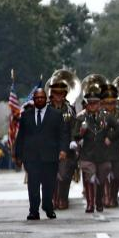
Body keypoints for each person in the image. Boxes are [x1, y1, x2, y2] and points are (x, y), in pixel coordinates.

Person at [14, 87, 67, 220]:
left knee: (49, 185)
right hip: (31, 157)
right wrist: (18, 155)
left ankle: (48, 207)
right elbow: (21, 136)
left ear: (46, 99)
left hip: (50, 157)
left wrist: (63, 150)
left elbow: (62, 135)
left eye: (42, 98)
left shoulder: (56, 114)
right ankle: (33, 211)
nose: (39, 100)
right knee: (33, 185)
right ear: (34, 99)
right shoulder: (26, 116)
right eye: (37, 98)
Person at [72, 87, 119, 213]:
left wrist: (110, 138)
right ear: (87, 104)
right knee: (90, 177)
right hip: (87, 153)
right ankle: (90, 204)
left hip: (103, 153)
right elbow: (74, 134)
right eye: (90, 103)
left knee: (101, 179)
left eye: (95, 103)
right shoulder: (81, 117)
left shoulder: (106, 117)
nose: (92, 105)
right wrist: (81, 133)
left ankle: (99, 201)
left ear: (99, 104)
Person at [47, 79, 78, 210]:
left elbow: (73, 128)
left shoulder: (70, 110)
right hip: (49, 148)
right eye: (56, 93)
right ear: (52, 94)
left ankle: (63, 198)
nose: (59, 96)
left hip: (66, 148)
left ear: (65, 94)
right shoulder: (46, 109)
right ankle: (53, 200)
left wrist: (71, 143)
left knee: (64, 176)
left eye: (61, 94)